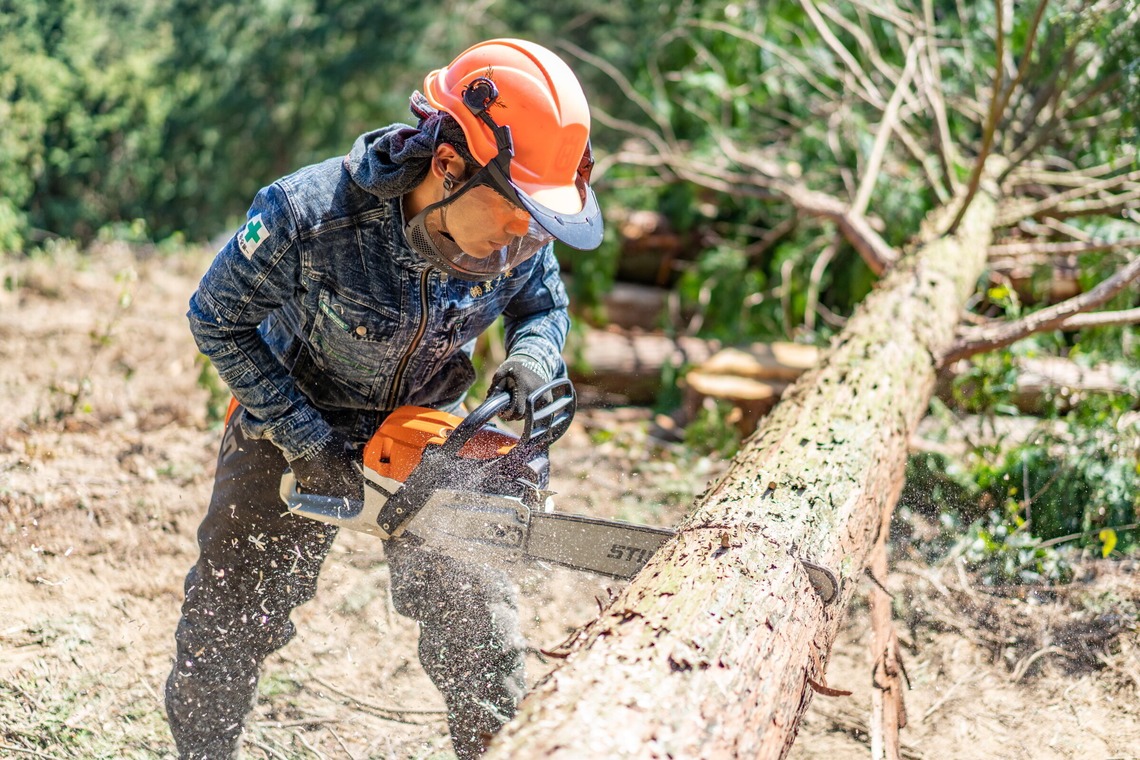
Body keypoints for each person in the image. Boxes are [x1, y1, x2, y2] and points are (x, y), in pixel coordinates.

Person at [165, 38, 602, 759]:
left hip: (423, 429)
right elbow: (217, 319)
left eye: (537, 224)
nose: (522, 241)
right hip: (289, 417)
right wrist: (305, 439)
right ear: (449, 166)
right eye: (512, 216)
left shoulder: (520, 227)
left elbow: (542, 307)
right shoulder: (308, 215)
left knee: (479, 630)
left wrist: (530, 360)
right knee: (228, 618)